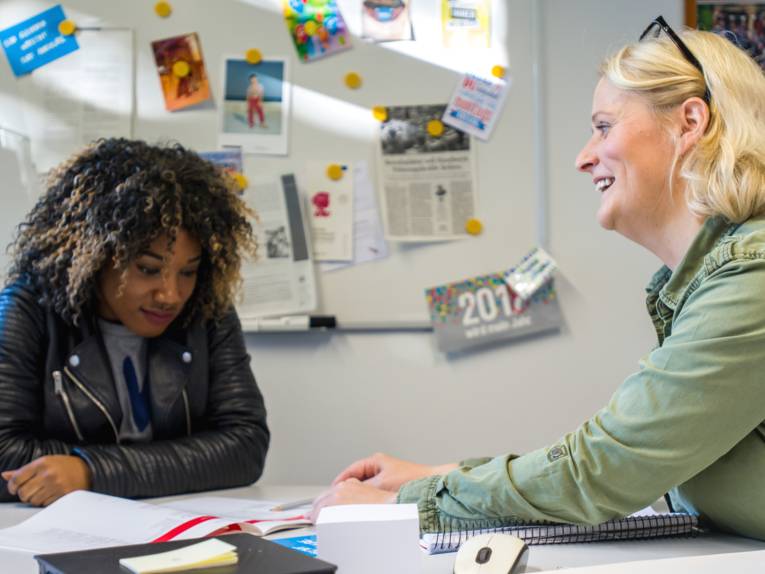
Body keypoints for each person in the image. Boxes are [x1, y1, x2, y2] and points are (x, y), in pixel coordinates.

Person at [311, 18, 765, 541]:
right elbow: (632, 453)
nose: (582, 157)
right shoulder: (713, 278)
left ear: (689, 122)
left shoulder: (751, 274)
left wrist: (406, 505)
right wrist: (443, 476)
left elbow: (606, 468)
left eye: (603, 127)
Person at [0, 138, 270, 506]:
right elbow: (4, 452)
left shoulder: (207, 309)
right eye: (148, 269)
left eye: (188, 272)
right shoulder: (27, 309)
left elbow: (245, 444)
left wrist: (92, 472)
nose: (171, 295)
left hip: (175, 527)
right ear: (97, 255)